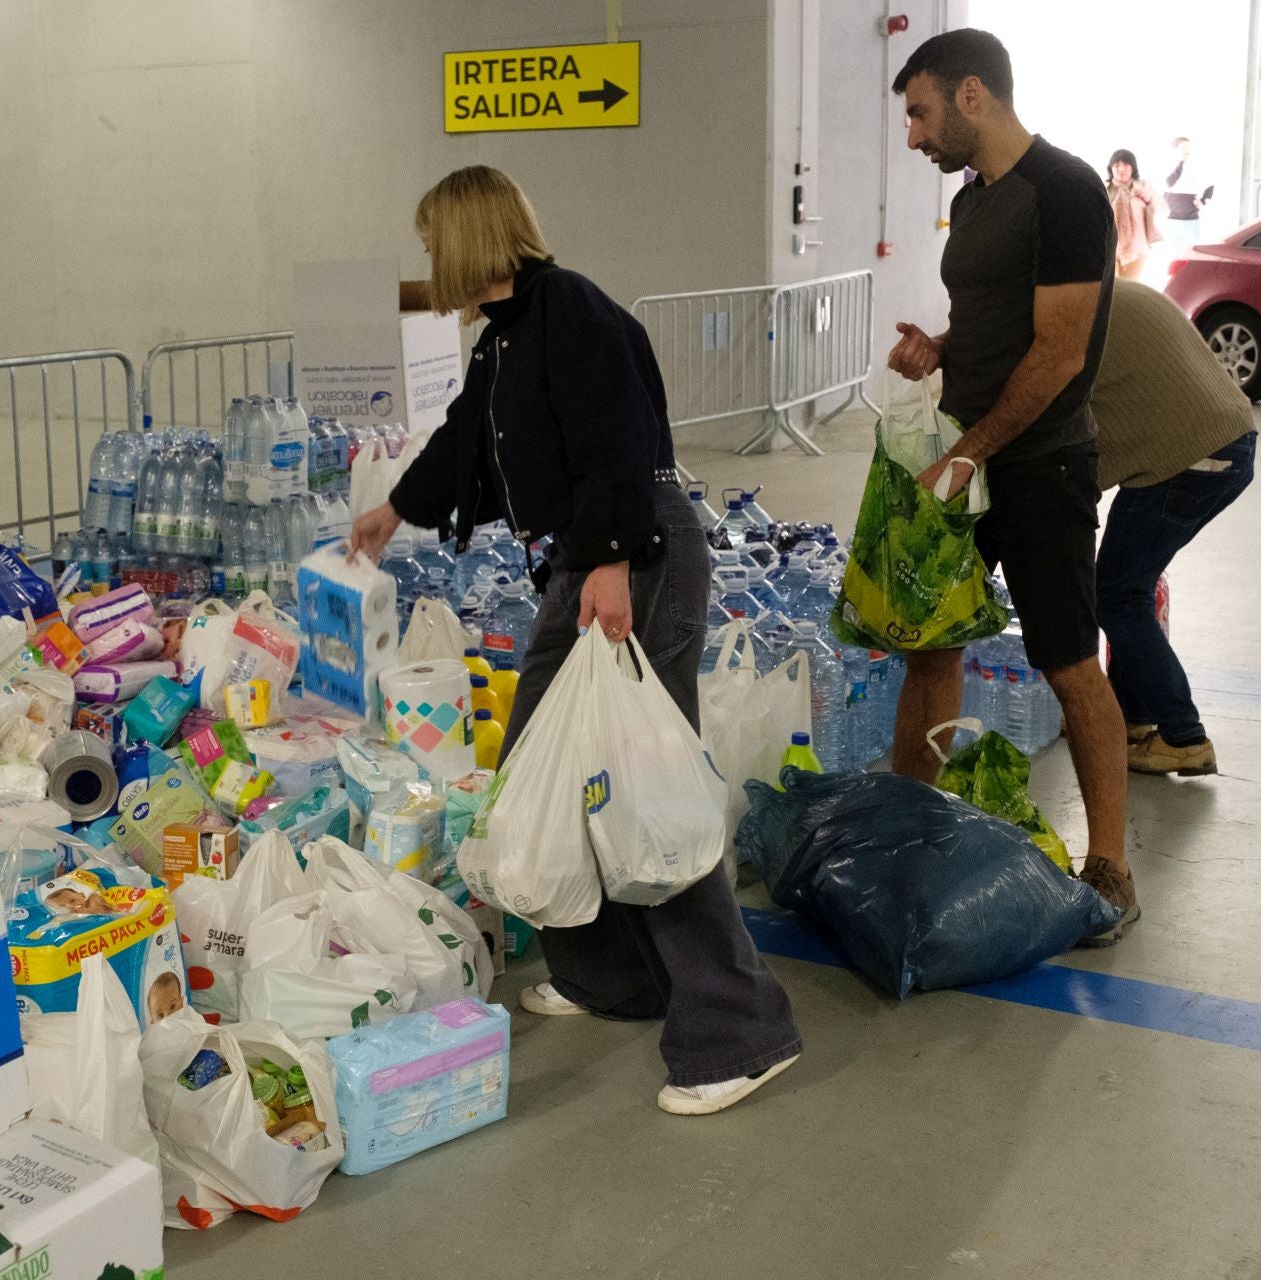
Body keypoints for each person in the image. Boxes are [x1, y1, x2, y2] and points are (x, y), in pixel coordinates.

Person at [349, 165, 802, 1116]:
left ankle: (740, 1028)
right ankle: (612, 978)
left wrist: (605, 561)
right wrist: (397, 509)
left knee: (642, 790)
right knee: (544, 773)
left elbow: (619, 446)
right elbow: (464, 443)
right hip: (581, 568)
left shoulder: (573, 315)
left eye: (435, 242)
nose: (428, 262)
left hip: (635, 561)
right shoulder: (504, 343)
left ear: (473, 237)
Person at [885, 30, 1137, 942]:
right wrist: (939, 350)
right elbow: (992, 319)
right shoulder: (976, 197)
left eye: (920, 112)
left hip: (1037, 465)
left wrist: (969, 454)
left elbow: (1061, 352)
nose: (914, 136)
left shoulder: (1065, 193)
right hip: (973, 457)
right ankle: (909, 824)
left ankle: (1109, 864)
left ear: (974, 96)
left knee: (1068, 660)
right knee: (931, 645)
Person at [1092, 279, 1256, 776]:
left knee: (1117, 596)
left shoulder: (1072, 319)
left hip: (1189, 456)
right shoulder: (1118, 291)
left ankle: (1183, 735)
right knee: (1128, 588)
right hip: (1231, 439)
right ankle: (1133, 720)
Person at [1105, 149, 1162, 280]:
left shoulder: (1144, 186)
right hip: (1109, 250)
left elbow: (1165, 211)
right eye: (1116, 165)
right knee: (1110, 291)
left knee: (1131, 289)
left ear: (1133, 167)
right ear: (1111, 168)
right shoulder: (1104, 188)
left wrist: (1148, 200)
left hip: (1137, 249)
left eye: (1125, 164)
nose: (1121, 169)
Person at [1162, 136, 1214, 255]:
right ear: (1175, 150)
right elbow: (1170, 182)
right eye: (1183, 147)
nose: (1187, 150)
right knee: (1173, 254)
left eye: (1188, 147)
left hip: (1191, 219)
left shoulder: (1195, 166)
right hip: (1172, 220)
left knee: (1192, 254)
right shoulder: (1168, 166)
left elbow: (1210, 183)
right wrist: (1180, 163)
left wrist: (1203, 200)